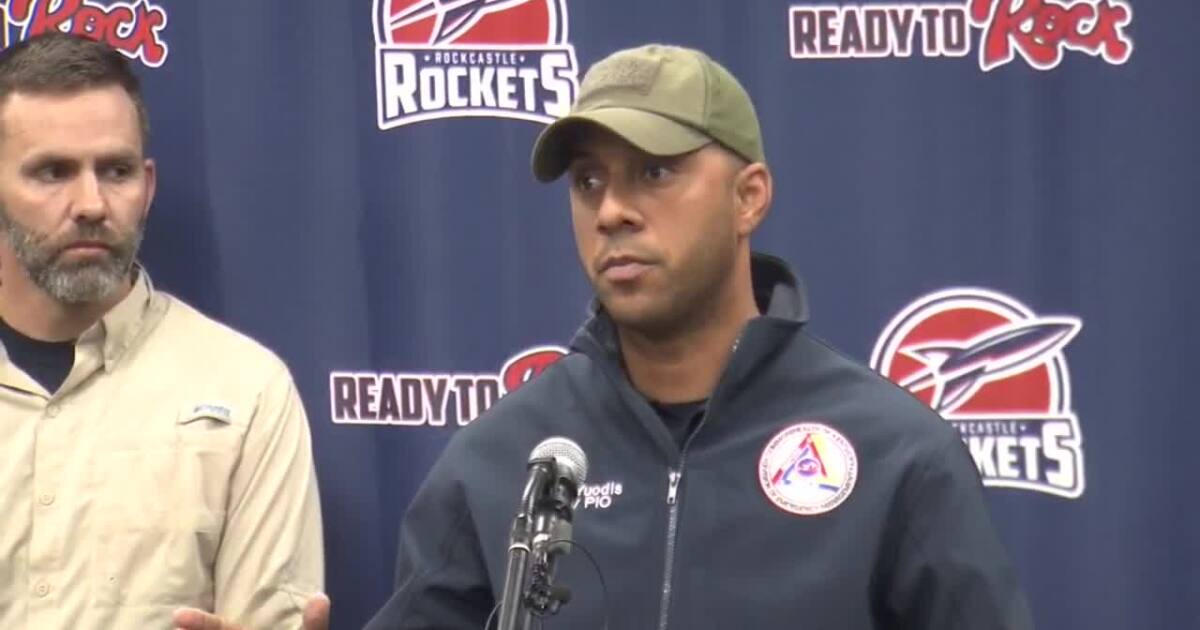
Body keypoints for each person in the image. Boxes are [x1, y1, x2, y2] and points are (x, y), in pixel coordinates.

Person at [364, 44, 1034, 629]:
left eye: (654, 172)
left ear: (748, 197)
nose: (611, 211)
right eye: (588, 181)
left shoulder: (895, 456)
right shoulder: (502, 459)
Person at [0, 32, 326, 629]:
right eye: (52, 172)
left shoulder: (246, 392)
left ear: (147, 187)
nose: (92, 203)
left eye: (115, 170)